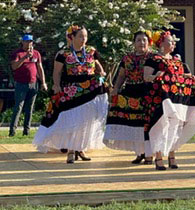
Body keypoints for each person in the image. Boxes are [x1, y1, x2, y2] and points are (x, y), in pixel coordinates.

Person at [33, 25, 109, 163]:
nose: (83, 39)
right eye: (80, 36)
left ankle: (81, 148)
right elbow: (57, 72)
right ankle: (70, 149)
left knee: (86, 119)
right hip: (71, 89)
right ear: (72, 37)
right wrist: (56, 85)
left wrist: (101, 72)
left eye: (85, 36)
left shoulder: (91, 51)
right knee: (72, 119)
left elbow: (97, 64)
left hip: (89, 89)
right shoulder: (63, 54)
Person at [143, 31, 195, 170]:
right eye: (170, 41)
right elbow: (146, 76)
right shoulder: (153, 59)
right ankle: (158, 158)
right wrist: (156, 75)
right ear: (161, 43)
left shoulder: (177, 61)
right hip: (158, 100)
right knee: (160, 126)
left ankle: (172, 156)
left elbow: (184, 76)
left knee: (175, 126)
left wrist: (190, 78)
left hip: (177, 100)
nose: (173, 44)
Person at [103, 31, 154, 163]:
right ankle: (139, 152)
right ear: (134, 43)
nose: (141, 43)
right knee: (133, 125)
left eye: (144, 40)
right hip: (130, 93)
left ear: (149, 42)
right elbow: (121, 76)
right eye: (138, 40)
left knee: (146, 125)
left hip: (147, 94)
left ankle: (149, 153)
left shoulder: (153, 57)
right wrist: (115, 89)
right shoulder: (127, 58)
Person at [9, 34, 47, 136]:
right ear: (22, 42)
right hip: (21, 84)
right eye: (27, 41)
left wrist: (43, 82)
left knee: (30, 108)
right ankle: (12, 131)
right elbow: (14, 67)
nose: (29, 43)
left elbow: (40, 68)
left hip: (33, 84)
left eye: (30, 42)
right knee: (18, 107)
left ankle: (26, 131)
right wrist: (25, 57)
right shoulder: (17, 53)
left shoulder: (36, 54)